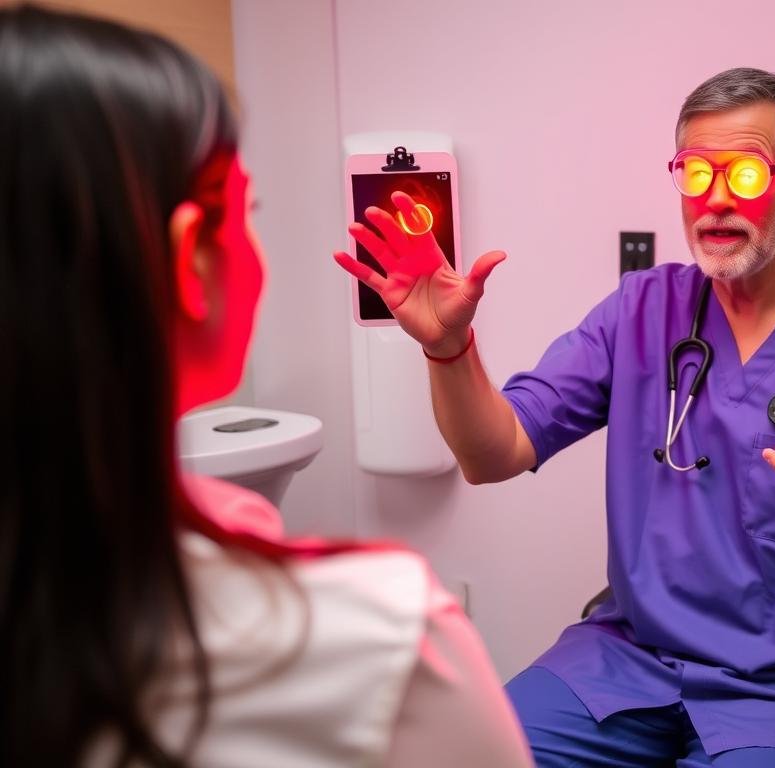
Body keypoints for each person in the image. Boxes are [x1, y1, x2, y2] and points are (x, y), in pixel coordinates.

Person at [336, 66, 775, 767]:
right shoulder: (641, 311)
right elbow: (492, 453)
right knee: (474, 752)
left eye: (746, 174)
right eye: (696, 173)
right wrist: (449, 349)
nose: (716, 199)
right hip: (631, 663)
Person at [0, 6, 533, 767]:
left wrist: (446, 347)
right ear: (192, 260)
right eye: (247, 213)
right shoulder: (382, 642)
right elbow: (497, 452)